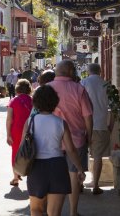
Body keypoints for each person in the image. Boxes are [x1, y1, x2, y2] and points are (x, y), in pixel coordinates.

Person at [27, 85, 86, 216]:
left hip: (36, 167)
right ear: (54, 101)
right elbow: (71, 149)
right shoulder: (60, 122)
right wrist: (80, 168)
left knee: (36, 210)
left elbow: (22, 146)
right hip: (57, 167)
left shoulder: (30, 122)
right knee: (54, 213)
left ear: (36, 101)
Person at [48, 59, 93, 216]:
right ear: (71, 72)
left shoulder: (47, 89)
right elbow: (88, 116)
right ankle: (73, 212)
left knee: (54, 176)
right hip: (77, 140)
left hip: (52, 141)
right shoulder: (79, 89)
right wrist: (90, 135)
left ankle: (54, 212)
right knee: (74, 175)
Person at [81, 63, 114, 195]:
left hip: (83, 125)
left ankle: (79, 184)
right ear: (100, 71)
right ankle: (95, 185)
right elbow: (114, 108)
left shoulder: (83, 83)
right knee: (98, 156)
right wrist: (110, 125)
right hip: (100, 125)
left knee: (80, 154)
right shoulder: (107, 85)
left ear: (88, 71)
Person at [6, 79, 33, 186]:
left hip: (16, 130)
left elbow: (9, 119)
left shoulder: (13, 101)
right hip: (30, 129)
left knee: (16, 152)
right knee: (31, 151)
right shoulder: (32, 100)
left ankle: (16, 177)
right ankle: (30, 175)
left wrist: (8, 134)